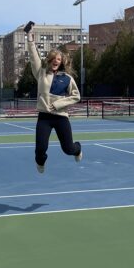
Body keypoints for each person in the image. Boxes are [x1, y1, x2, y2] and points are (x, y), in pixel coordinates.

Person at [24, 21, 82, 173]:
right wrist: (29, 36)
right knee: (40, 149)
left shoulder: (67, 78)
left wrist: (58, 104)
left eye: (59, 60)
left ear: (61, 62)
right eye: (54, 59)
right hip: (44, 117)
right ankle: (41, 162)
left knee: (68, 149)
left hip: (61, 117)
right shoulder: (41, 73)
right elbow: (33, 56)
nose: (56, 61)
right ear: (49, 60)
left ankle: (78, 149)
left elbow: (76, 96)